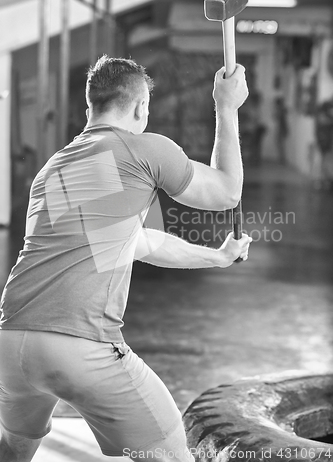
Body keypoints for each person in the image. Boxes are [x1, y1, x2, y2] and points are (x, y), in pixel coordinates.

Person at [0, 55, 251, 462]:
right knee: (172, 455)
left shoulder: (54, 169)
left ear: (89, 109)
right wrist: (227, 106)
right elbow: (226, 192)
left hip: (11, 341)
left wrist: (218, 257)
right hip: (81, 344)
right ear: (140, 107)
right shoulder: (145, 148)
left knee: (13, 450)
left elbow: (138, 242)